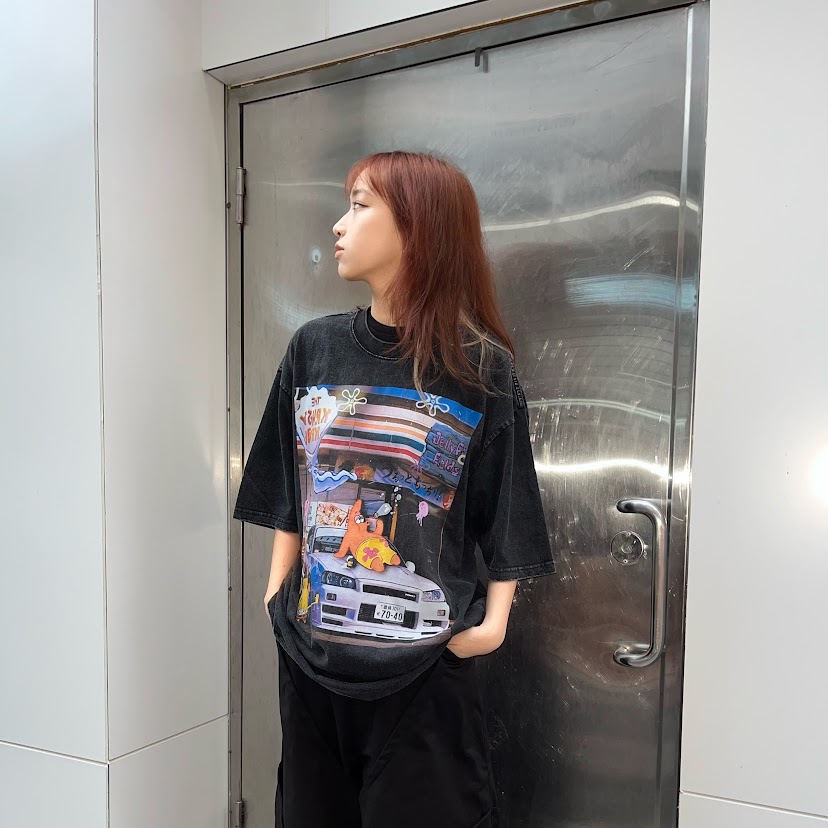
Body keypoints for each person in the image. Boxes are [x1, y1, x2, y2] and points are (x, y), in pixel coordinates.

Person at [233, 150, 556, 828]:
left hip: (424, 675)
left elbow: (508, 507)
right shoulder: (314, 348)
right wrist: (276, 593)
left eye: (359, 205)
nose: (338, 225)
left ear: (418, 226)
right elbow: (289, 482)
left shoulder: (479, 369)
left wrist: (493, 626)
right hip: (313, 661)